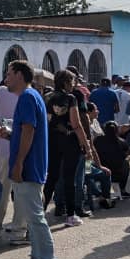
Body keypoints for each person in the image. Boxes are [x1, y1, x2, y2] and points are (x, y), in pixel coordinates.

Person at [0, 60, 61, 259]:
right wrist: (9, 135)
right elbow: (26, 131)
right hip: (30, 165)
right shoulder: (31, 96)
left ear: (19, 74)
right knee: (32, 217)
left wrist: (18, 164)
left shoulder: (26, 97)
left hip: (28, 167)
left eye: (8, 73)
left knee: (35, 218)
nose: (5, 78)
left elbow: (28, 130)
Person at [46, 70, 94, 226]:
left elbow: (48, 121)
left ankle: (40, 213)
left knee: (52, 178)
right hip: (70, 141)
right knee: (69, 178)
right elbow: (76, 124)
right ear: (66, 82)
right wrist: (87, 147)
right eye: (72, 81)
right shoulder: (70, 98)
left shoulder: (48, 97)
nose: (73, 84)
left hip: (52, 141)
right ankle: (71, 215)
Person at [0, 80, 26, 243]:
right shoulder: (26, 95)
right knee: (20, 190)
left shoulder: (1, 92)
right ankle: (18, 229)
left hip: (3, 147)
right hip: (18, 147)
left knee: (2, 188)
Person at [94, 121, 130, 197]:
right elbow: (129, 153)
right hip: (118, 173)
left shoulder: (98, 140)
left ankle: (99, 191)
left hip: (102, 170)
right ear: (117, 130)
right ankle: (122, 189)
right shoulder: (122, 142)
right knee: (126, 163)